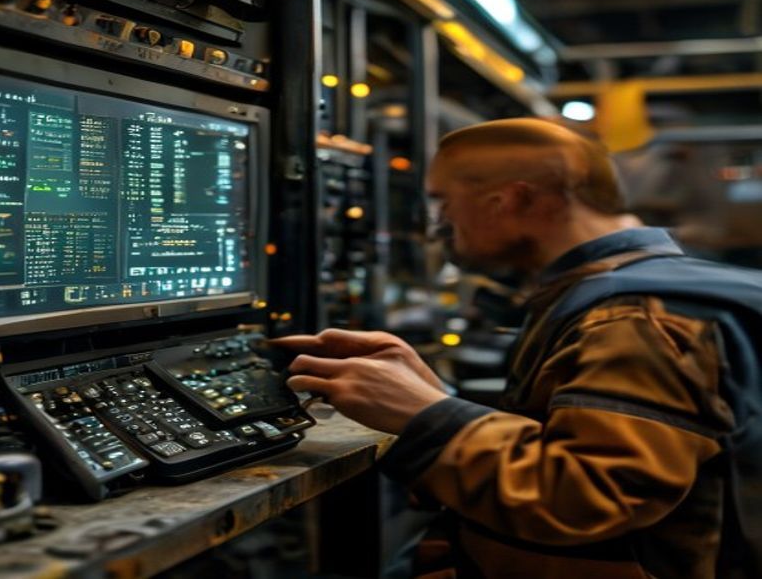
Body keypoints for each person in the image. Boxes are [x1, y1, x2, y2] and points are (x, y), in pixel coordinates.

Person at [277, 118, 760, 578]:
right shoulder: (633, 287)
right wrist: (434, 395)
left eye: (443, 201)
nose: (439, 224)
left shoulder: (633, 316)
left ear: (508, 200)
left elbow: (587, 497)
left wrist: (429, 418)